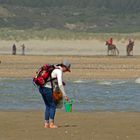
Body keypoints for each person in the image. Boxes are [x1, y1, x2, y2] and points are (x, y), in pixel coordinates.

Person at [38, 60, 71, 128]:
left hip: (41, 88)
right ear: (64, 67)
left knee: (47, 106)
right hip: (47, 89)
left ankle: (46, 124)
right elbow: (60, 85)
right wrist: (65, 95)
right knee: (52, 106)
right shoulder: (59, 71)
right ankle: (51, 124)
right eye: (67, 69)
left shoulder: (55, 68)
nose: (66, 71)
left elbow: (52, 79)